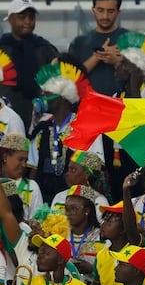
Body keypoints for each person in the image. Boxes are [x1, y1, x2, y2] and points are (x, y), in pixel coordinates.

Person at [28, 61, 96, 203]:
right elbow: (33, 169)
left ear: (62, 98)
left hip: (75, 200)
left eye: (47, 95)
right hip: (44, 201)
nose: (42, 100)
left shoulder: (84, 127)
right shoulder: (41, 129)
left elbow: (93, 170)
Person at [0, 0, 59, 130]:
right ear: (10, 19)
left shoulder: (45, 49)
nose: (28, 21)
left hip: (38, 120)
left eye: (31, 17)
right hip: (4, 120)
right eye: (22, 17)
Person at [67, 0, 127, 96]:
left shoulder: (130, 40)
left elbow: (142, 79)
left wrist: (117, 62)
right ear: (93, 10)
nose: (105, 16)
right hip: (87, 107)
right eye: (100, 10)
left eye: (111, 11)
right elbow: (70, 80)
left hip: (123, 107)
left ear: (119, 12)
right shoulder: (79, 43)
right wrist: (98, 56)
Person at [51, 152, 109, 217]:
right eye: (68, 169)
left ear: (86, 174)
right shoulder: (59, 197)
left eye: (73, 170)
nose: (67, 174)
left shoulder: (99, 201)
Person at [114, 32, 145, 99]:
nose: (118, 67)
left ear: (137, 68)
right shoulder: (116, 96)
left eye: (123, 63)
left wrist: (135, 91)